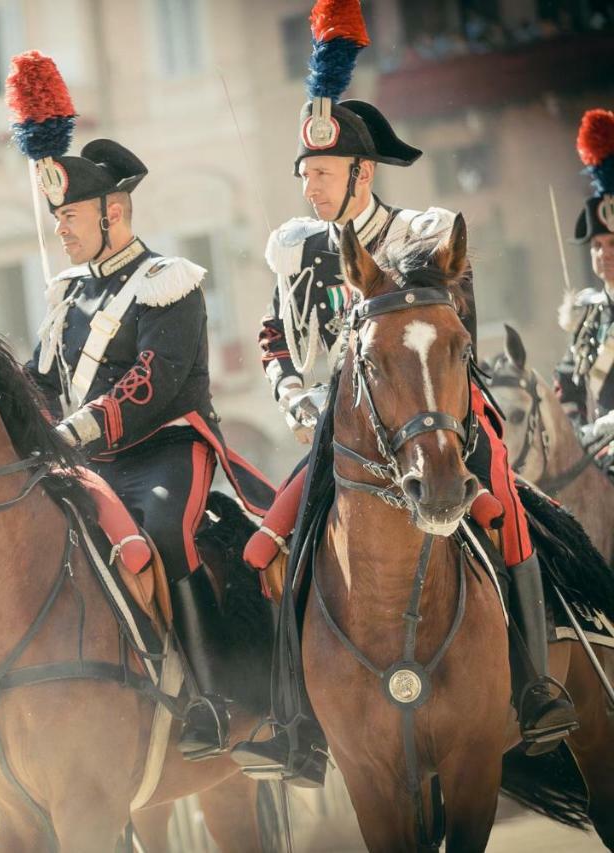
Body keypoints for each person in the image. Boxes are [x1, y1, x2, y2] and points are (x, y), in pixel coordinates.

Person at [233, 0, 577, 785]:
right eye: (306, 174)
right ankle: (294, 723)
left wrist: (446, 419)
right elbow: (271, 337)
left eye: (322, 173)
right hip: (339, 435)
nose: (311, 187)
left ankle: (533, 684)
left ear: (363, 171)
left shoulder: (424, 233)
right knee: (265, 547)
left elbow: (460, 339)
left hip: (438, 417)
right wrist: (289, 393)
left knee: (504, 508)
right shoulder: (292, 249)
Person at [6, 50, 274, 759]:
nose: (60, 228)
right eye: (55, 215)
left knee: (162, 530)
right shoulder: (65, 294)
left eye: (71, 215)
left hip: (167, 450)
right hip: (90, 461)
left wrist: (79, 423)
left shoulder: (170, 281)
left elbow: (153, 381)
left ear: (114, 211)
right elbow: (41, 379)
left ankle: (213, 699)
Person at [556, 108, 614, 452]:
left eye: (612, 244)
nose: (604, 254)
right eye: (597, 245)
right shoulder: (588, 316)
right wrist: (579, 434)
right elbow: (567, 385)